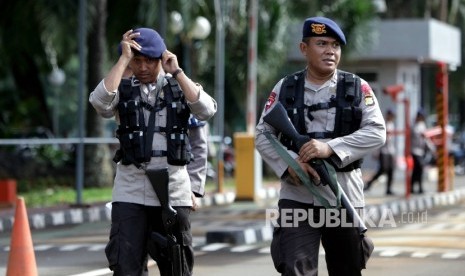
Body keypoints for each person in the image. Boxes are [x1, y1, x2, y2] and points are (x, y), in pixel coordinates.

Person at [255, 17, 386, 276]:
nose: (330, 51)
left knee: (347, 269)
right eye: (322, 43)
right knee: (295, 269)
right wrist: (292, 163)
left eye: (336, 45)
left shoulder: (358, 87)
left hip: (343, 194)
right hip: (298, 197)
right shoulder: (285, 87)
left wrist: (330, 148)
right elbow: (262, 134)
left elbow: (377, 132)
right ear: (304, 48)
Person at [89, 27, 216, 276]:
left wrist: (177, 72)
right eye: (138, 61)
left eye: (150, 61)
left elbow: (206, 110)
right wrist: (123, 59)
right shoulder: (122, 88)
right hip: (130, 190)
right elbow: (99, 103)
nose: (144, 67)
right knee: (125, 265)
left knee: (176, 265)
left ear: (161, 59)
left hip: (173, 190)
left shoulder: (180, 87)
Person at [364, 109, 396, 195]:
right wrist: (376, 152)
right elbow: (379, 139)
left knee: (391, 170)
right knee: (382, 170)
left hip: (390, 151)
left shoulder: (392, 125)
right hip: (383, 151)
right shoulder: (383, 124)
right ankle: (369, 184)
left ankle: (389, 189)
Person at [410, 109, 433, 194]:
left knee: (417, 170)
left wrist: (432, 149)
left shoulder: (422, 125)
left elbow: (426, 139)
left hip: (422, 151)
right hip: (415, 150)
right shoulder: (414, 125)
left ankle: (416, 188)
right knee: (419, 167)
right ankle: (416, 187)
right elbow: (416, 135)